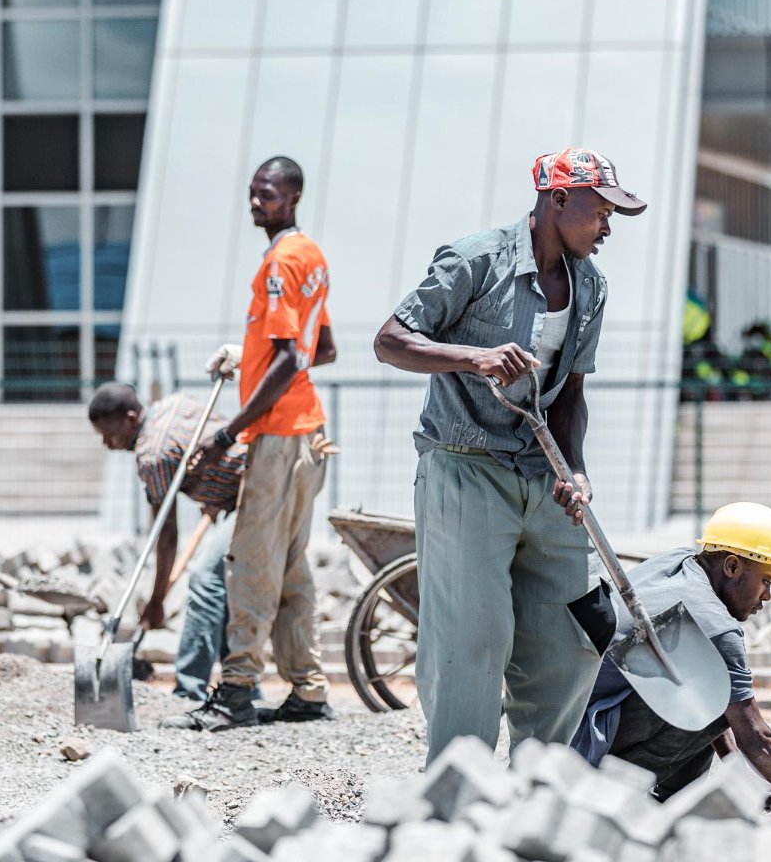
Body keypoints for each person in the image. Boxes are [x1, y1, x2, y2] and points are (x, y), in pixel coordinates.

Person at [373, 146, 644, 764]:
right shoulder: (475, 261)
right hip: (466, 467)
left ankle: (535, 786)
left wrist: (575, 468)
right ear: (557, 199)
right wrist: (474, 357)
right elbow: (390, 341)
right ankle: (458, 789)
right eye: (600, 210)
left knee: (570, 638)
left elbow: (571, 393)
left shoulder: (591, 286)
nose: (607, 227)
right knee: (472, 638)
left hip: (543, 474)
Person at [171, 155, 338, 731]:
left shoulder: (280, 263)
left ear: (292, 198)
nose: (255, 203)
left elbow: (293, 357)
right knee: (289, 567)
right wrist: (251, 357)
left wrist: (226, 432)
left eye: (266, 195)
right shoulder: (311, 256)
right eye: (251, 193)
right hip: (310, 437)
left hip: (282, 439)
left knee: (250, 565)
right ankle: (309, 690)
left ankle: (237, 690)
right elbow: (323, 348)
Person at [572, 503, 771, 801]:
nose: (768, 596)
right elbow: (755, 735)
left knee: (707, 690)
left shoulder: (679, 563)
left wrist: (745, 785)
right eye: (766, 581)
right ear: (732, 567)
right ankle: (609, 790)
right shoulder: (715, 625)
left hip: (571, 728)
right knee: (716, 694)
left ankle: (675, 799)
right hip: (586, 747)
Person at [88, 381, 248, 702]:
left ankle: (188, 691)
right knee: (226, 585)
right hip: (252, 480)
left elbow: (166, 534)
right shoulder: (172, 404)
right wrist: (216, 489)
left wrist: (157, 599)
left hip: (255, 492)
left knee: (204, 580)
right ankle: (243, 688)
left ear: (131, 419)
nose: (106, 444)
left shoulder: (152, 455)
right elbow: (206, 443)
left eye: (110, 434)